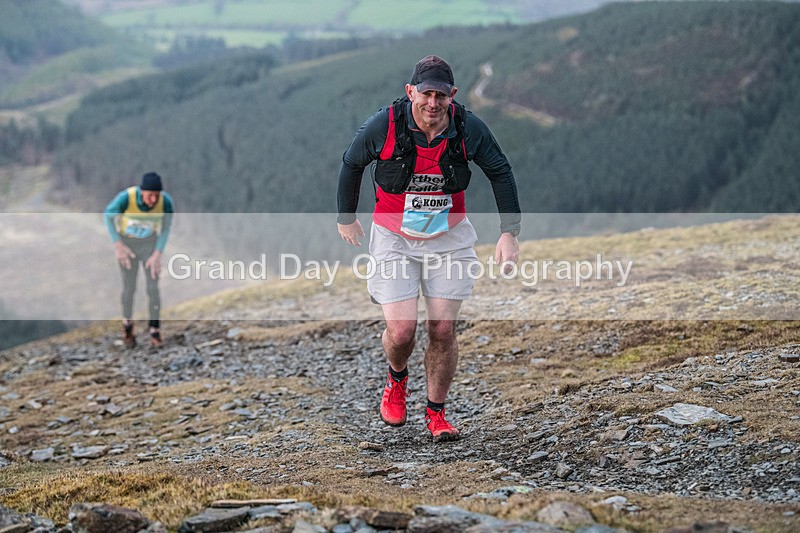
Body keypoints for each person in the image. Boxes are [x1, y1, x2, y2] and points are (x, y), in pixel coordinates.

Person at [337, 55, 521, 442]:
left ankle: (437, 414)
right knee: (402, 332)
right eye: (426, 94)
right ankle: (397, 379)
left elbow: (500, 171)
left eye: (441, 95)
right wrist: (346, 217)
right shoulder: (384, 125)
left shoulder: (469, 128)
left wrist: (509, 232)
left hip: (449, 239)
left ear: (452, 95)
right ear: (411, 92)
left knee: (442, 328)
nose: (433, 103)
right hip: (393, 237)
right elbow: (352, 163)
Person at [104, 172, 175, 348]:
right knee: (129, 288)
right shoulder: (126, 198)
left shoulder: (165, 202)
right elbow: (108, 215)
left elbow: (165, 229)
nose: (153, 199)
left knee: (153, 288)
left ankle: (155, 330)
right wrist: (118, 246)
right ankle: (127, 326)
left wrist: (158, 254)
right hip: (127, 245)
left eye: (156, 195)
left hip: (149, 245)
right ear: (141, 191)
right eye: (150, 195)